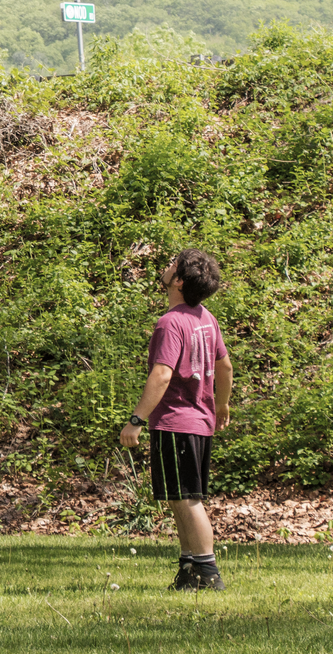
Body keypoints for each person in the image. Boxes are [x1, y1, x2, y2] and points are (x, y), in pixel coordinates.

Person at [119, 249, 233, 591]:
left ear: (179, 281)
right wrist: (222, 406)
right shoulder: (206, 318)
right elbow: (225, 367)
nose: (166, 267)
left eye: (173, 265)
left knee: (187, 498)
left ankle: (208, 572)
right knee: (177, 496)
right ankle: (189, 568)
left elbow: (162, 374)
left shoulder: (170, 322)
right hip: (199, 421)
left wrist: (137, 419)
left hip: (175, 421)